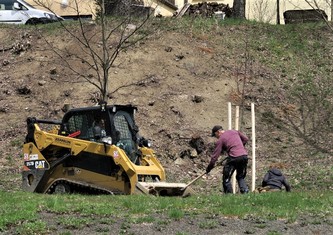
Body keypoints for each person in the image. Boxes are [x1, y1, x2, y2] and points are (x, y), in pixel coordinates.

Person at [206, 125, 249, 194]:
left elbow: (215, 157)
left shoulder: (221, 139)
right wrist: (239, 147)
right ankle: (245, 191)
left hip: (234, 158)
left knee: (226, 177)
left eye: (215, 135)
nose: (216, 137)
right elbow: (245, 139)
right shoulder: (234, 131)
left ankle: (229, 195)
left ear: (218, 132)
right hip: (244, 156)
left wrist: (209, 168)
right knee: (240, 176)